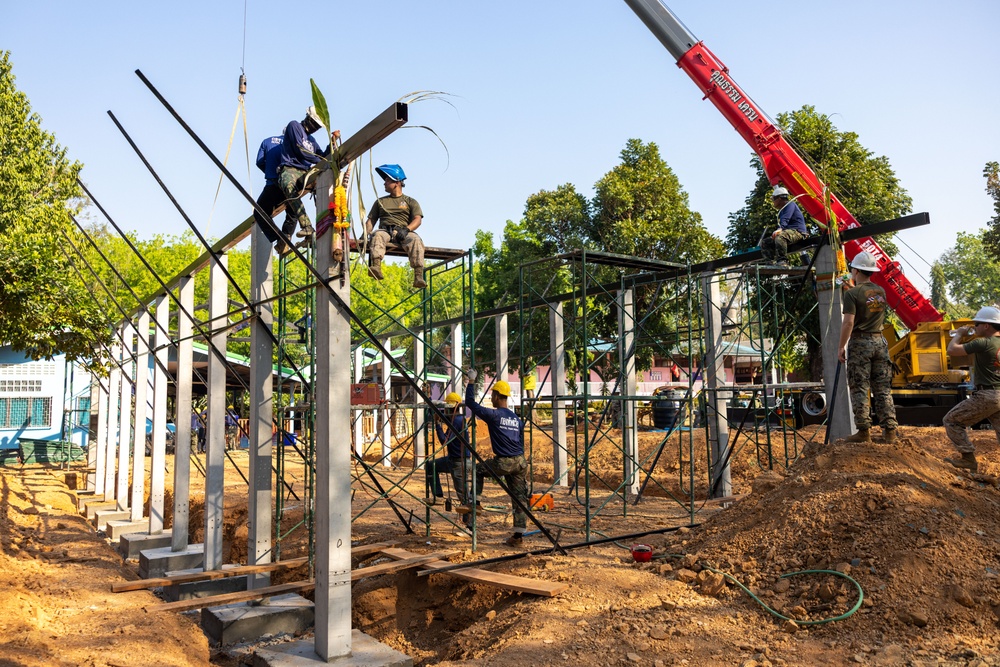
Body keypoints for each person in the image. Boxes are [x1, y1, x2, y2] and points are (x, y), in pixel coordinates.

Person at [837, 251, 898, 444]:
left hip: (860, 343)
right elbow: (869, 304)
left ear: (855, 270)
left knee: (860, 386)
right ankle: (890, 432)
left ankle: (864, 432)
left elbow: (848, 323)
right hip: (880, 343)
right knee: (882, 388)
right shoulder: (881, 292)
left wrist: (841, 347)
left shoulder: (851, 294)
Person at [465, 371, 528, 547]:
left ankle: (475, 502)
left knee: (477, 469)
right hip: (520, 461)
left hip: (504, 461)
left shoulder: (494, 415)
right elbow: (521, 442)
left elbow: (470, 403)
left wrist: (471, 381)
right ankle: (518, 536)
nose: (491, 397)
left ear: (497, 395)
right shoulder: (517, 419)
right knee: (519, 498)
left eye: (492, 394)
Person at [942, 306, 1000, 473]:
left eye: (977, 324)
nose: (975, 327)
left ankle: (968, 459)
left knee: (951, 420)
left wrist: (959, 334)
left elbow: (952, 350)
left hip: (987, 395)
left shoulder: (983, 343)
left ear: (987, 326)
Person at [276, 107, 339, 241]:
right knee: (289, 189)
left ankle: (328, 223)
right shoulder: (294, 126)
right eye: (314, 124)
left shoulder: (312, 140)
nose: (315, 128)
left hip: (305, 172)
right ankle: (307, 227)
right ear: (308, 118)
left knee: (325, 185)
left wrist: (332, 143)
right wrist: (319, 160)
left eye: (318, 126)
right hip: (290, 168)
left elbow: (322, 156)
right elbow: (301, 150)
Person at [365, 164, 426, 289]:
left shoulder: (410, 201)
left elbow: (417, 219)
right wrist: (365, 234)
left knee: (416, 240)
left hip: (403, 231)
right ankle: (376, 266)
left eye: (387, 180)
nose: (384, 183)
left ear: (397, 182)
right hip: (385, 230)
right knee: (377, 235)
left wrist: (407, 229)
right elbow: (371, 220)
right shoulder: (380, 202)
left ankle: (418, 276)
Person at [424, 393, 473, 526]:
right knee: (431, 465)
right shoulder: (455, 418)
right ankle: (438, 495)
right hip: (453, 459)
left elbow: (444, 441)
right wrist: (428, 400)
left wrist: (437, 425)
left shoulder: (457, 421)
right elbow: (440, 414)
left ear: (450, 408)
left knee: (463, 495)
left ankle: (470, 525)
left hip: (459, 462)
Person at [252, 135, 295, 253]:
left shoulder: (267, 141)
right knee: (293, 210)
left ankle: (278, 238)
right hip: (290, 185)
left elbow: (259, 162)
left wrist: (270, 171)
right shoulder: (296, 142)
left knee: (260, 212)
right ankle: (286, 235)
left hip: (272, 185)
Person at [760, 185, 807, 265]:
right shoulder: (782, 210)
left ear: (779, 198)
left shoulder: (790, 205)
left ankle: (783, 261)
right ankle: (769, 263)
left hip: (798, 232)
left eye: (773, 199)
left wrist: (780, 229)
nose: (773, 201)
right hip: (789, 232)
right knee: (765, 242)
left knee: (780, 237)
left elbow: (785, 220)